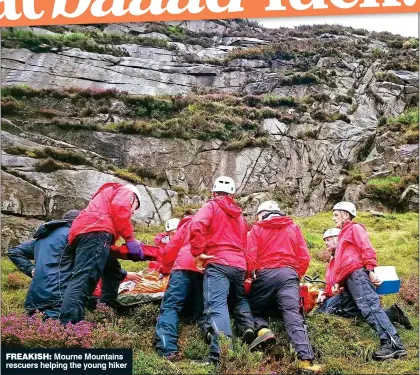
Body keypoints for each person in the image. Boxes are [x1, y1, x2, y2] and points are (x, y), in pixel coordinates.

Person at [246, 201, 321, 373]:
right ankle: (305, 362)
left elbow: (250, 256)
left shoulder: (257, 229)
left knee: (252, 309)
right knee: (293, 314)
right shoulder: (293, 227)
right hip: (289, 274)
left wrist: (252, 274)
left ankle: (263, 330)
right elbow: (304, 256)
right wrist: (295, 276)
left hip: (266, 274)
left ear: (262, 213)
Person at [330, 201, 407, 360]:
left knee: (371, 307)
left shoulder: (354, 228)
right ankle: (392, 318)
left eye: (336, 215)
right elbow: (341, 263)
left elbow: (367, 248)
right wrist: (339, 282)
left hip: (358, 274)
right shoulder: (343, 235)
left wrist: (370, 270)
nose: (333, 218)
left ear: (346, 215)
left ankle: (394, 345)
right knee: (356, 310)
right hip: (350, 279)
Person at [190, 176, 254, 365]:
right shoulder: (241, 217)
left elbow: (197, 226)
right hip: (239, 265)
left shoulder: (211, 206)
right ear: (233, 195)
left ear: (213, 193)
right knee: (237, 300)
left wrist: (198, 252)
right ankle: (247, 328)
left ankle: (219, 356)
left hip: (218, 263)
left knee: (216, 307)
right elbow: (245, 243)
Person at [59, 182, 144, 324]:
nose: (133, 212)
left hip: (84, 232)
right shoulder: (127, 191)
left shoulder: (102, 200)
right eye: (135, 207)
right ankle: (69, 328)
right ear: (135, 199)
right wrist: (130, 238)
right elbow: (121, 208)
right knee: (84, 281)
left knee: (99, 273)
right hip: (97, 231)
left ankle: (93, 315)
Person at [316, 228, 412, 331]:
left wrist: (343, 286)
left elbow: (356, 276)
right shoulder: (333, 260)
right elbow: (331, 283)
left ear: (337, 238)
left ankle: (389, 316)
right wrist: (325, 294)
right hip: (344, 295)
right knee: (322, 311)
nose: (326, 243)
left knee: (329, 312)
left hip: (354, 293)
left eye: (328, 239)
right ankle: (391, 314)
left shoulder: (347, 256)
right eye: (324, 240)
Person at [7, 210, 80, 319]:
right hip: (59, 295)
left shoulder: (43, 237)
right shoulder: (73, 235)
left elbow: (14, 252)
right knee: (61, 332)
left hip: (36, 294)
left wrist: (30, 269)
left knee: (33, 331)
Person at [155, 214, 207, 360]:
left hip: (182, 266)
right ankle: (212, 341)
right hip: (204, 268)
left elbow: (171, 248)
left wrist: (165, 269)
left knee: (171, 307)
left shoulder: (187, 225)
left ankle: (167, 350)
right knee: (203, 310)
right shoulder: (213, 224)